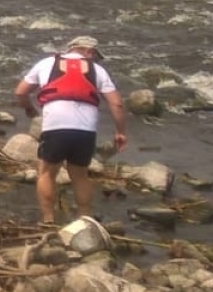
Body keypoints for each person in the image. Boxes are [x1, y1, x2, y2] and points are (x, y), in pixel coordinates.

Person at [15, 35, 128, 224]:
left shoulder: (47, 63)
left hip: (56, 127)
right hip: (85, 130)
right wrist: (120, 132)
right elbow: (116, 105)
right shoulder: (98, 70)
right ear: (89, 52)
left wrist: (29, 108)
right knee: (80, 176)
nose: (95, 59)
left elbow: (20, 92)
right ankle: (85, 218)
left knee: (46, 173)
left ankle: (48, 219)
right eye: (95, 55)